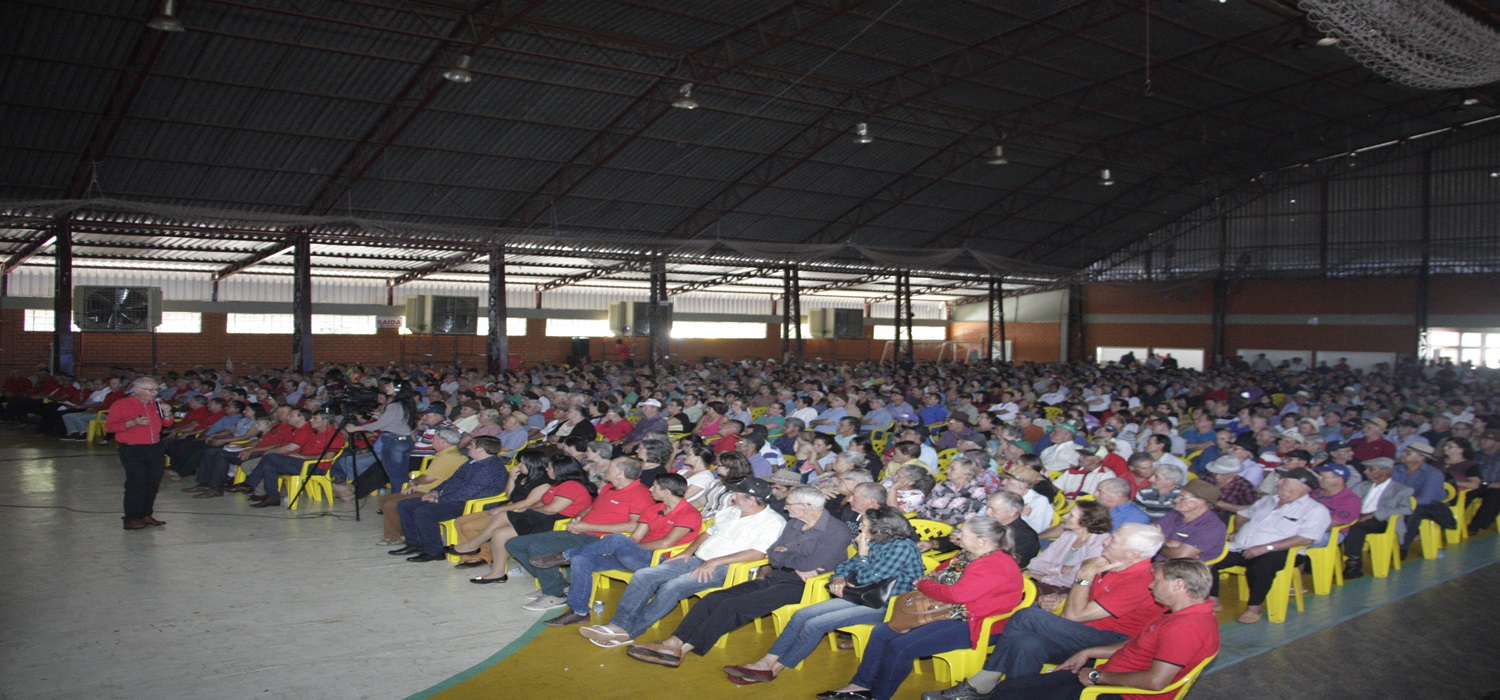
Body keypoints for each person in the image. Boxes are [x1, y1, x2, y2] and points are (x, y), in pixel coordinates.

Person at [923, 523, 1166, 700]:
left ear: (1134, 553)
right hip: (1083, 633)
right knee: (1027, 643)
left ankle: (983, 681)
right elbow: (1078, 608)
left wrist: (1083, 576)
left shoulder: (1139, 580)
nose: (1105, 541)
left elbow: (1074, 616)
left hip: (1114, 643)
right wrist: (1062, 596)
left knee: (1026, 615)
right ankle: (1008, 695)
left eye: (1114, 541)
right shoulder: (1111, 565)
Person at [625, 485, 853, 667]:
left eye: (790, 504)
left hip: (805, 586)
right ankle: (673, 641)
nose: (785, 507)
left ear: (806, 506)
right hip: (777, 576)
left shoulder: (837, 531)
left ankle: (681, 651)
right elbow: (773, 555)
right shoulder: (795, 523)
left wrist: (787, 556)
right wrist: (787, 558)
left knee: (733, 605)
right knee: (713, 599)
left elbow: (808, 564)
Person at [822, 516, 1025, 700]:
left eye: (963, 533)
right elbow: (937, 574)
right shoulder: (967, 555)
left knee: (900, 647)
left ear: (982, 540)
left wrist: (924, 585)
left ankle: (878, 696)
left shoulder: (995, 564)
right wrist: (930, 584)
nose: (957, 536)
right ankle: (859, 685)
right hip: (946, 611)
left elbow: (956, 594)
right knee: (882, 632)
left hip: (973, 622)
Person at [721, 506, 924, 685]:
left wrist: (862, 553)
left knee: (816, 624)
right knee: (802, 615)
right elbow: (845, 565)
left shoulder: (902, 547)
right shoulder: (877, 541)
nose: (860, 528)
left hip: (887, 606)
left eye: (864, 524)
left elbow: (868, 577)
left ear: (880, 528)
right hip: (861, 597)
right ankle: (766, 661)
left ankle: (774, 669)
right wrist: (838, 578)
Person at [578, 478, 787, 646]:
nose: (732, 496)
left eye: (737, 494)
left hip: (728, 570)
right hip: (699, 560)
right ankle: (619, 625)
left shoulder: (772, 522)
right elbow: (708, 533)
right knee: (644, 575)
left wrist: (714, 562)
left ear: (751, 499)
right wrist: (688, 551)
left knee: (673, 586)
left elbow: (758, 554)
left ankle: (630, 631)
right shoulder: (731, 512)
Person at [980, 560, 1220, 700]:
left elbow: (1156, 681)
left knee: (1011, 692)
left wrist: (1098, 677)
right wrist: (1091, 652)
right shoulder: (1182, 615)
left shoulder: (1186, 627)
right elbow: (1138, 645)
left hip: (1117, 691)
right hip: (1108, 675)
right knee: (1012, 686)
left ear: (1178, 585)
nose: (1150, 584)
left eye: (1156, 581)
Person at [532, 473, 702, 627]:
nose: (650, 489)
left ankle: (565, 555)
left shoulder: (689, 513)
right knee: (582, 559)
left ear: (666, 492)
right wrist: (622, 547)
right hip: (633, 555)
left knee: (617, 539)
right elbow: (635, 537)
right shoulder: (653, 509)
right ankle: (579, 611)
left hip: (659, 560)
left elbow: (665, 544)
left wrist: (625, 546)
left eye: (655, 487)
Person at [506, 457, 658, 610]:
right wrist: (578, 518)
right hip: (581, 531)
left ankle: (554, 595)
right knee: (514, 544)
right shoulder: (608, 487)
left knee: (538, 548)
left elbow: (634, 526)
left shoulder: (640, 494)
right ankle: (557, 585)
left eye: (610, 466)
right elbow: (592, 508)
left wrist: (587, 526)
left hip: (599, 540)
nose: (606, 468)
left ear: (620, 472)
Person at [1208, 467, 1330, 623]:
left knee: (1261, 566)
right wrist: (1238, 531)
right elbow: (1243, 514)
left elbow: (1307, 539)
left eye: (1285, 481)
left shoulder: (1316, 510)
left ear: (1302, 486)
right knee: (1208, 557)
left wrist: (1267, 547)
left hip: (1282, 551)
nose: (1279, 482)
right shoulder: (1267, 500)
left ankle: (1254, 607)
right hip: (1241, 547)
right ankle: (1213, 599)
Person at [453, 452, 595, 582]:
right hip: (543, 517)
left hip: (556, 522)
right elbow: (543, 502)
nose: (547, 470)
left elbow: (553, 509)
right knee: (499, 533)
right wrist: (529, 508)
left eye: (550, 468)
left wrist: (528, 510)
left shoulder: (572, 486)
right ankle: (498, 573)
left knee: (503, 515)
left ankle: (474, 544)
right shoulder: (559, 484)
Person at [387, 436, 511, 562]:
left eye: (472, 445)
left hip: (469, 504)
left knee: (425, 512)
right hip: (454, 498)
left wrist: (439, 500)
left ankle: (434, 551)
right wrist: (435, 492)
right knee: (405, 505)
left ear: (480, 449)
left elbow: (467, 493)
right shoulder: (472, 462)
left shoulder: (489, 469)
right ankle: (415, 544)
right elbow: (451, 480)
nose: (468, 446)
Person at [375, 428, 467, 546]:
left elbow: (428, 478)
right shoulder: (449, 454)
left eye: (435, 438)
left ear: (443, 441)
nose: (432, 441)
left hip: (430, 491)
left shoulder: (449, 457)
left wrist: (413, 482)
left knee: (391, 504)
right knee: (384, 499)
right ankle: (403, 531)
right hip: (426, 488)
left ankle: (394, 536)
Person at [105, 376, 175, 530]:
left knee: (153, 482)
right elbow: (110, 427)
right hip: (132, 448)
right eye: (151, 390)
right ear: (138, 390)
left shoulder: (157, 404)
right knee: (136, 482)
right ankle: (131, 517)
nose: (155, 393)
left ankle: (146, 514)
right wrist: (132, 423)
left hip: (155, 446)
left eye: (156, 389)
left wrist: (168, 413)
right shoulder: (122, 404)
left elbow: (167, 423)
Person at [1025, 500, 1111, 610]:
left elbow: (1076, 578)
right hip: (1047, 584)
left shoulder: (1101, 543)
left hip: (1071, 593)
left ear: (1087, 522)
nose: (1065, 516)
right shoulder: (1068, 536)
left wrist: (1044, 578)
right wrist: (1062, 569)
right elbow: (1034, 564)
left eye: (1071, 515)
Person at [1340, 457, 1416, 580]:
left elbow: (1406, 509)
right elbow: (1347, 500)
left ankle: (1353, 564)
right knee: (1345, 524)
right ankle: (1348, 560)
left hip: (1383, 522)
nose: (1366, 472)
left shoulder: (1400, 489)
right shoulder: (1362, 485)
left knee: (1356, 527)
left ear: (1385, 471)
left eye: (1371, 469)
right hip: (1359, 517)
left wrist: (1376, 513)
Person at [342, 379, 418, 491]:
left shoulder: (394, 405)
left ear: (397, 389)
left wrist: (355, 428)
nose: (386, 388)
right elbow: (396, 422)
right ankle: (402, 498)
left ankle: (395, 501)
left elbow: (378, 425)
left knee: (394, 475)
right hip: (404, 440)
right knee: (401, 474)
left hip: (393, 441)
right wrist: (382, 418)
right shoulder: (406, 404)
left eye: (390, 386)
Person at [1154, 480, 1227, 562]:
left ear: (1201, 502)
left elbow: (1179, 557)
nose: (1176, 500)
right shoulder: (1176, 513)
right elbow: (1150, 531)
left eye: (1182, 498)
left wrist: (1158, 542)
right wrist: (1168, 542)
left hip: (1179, 571)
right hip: (1156, 561)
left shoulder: (1213, 527)